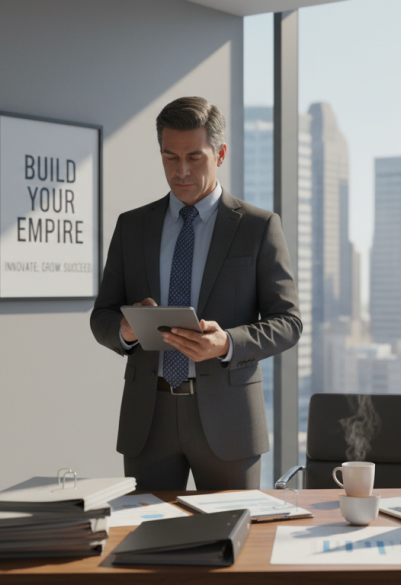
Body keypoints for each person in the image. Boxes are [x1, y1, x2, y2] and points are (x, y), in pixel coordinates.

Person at [90, 96, 301, 490]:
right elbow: (101, 316)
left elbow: (289, 323)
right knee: (145, 528)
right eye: (170, 157)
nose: (181, 171)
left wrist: (227, 343)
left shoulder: (257, 227)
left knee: (232, 528)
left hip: (229, 419)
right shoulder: (131, 227)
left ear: (219, 154)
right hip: (148, 419)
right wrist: (125, 329)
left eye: (194, 157)